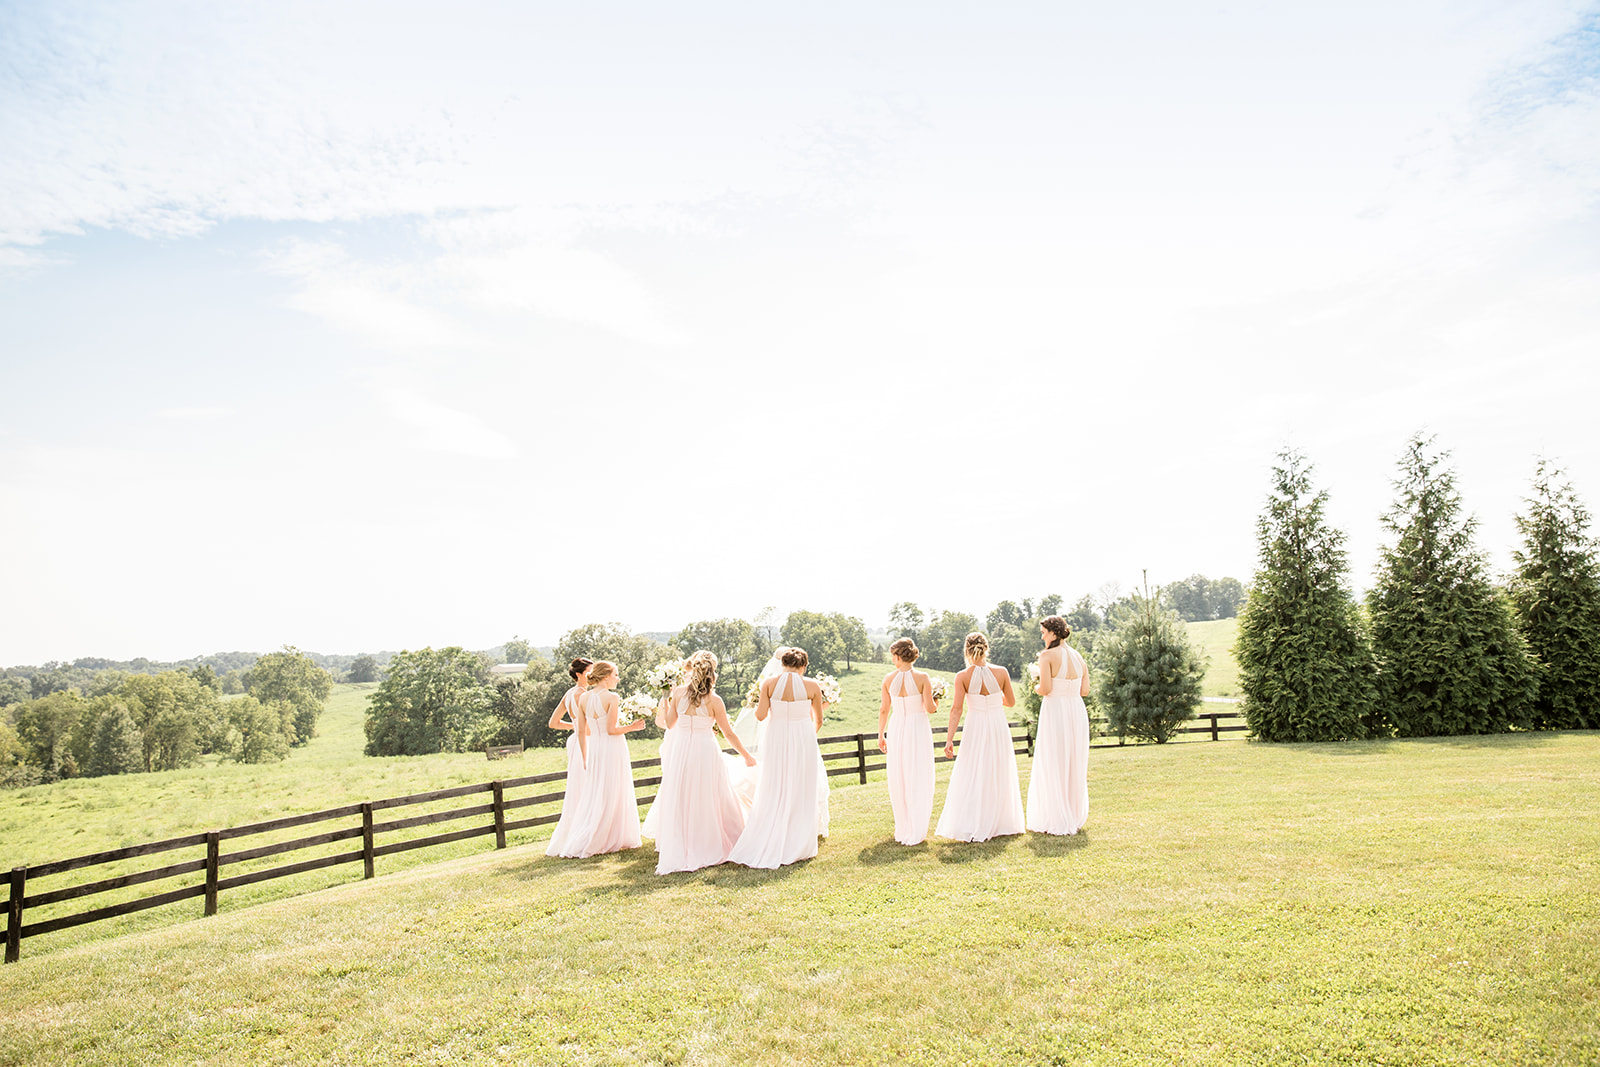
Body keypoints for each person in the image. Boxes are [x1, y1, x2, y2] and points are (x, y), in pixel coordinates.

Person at [651, 650, 758, 874]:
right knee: (709, 793)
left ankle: (684, 841)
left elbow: (669, 724)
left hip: (681, 750)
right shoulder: (714, 700)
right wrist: (746, 755)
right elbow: (728, 733)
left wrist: (665, 697)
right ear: (712, 675)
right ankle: (711, 840)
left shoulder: (679, 693)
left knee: (683, 793)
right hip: (705, 750)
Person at [726, 646, 828, 869]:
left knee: (775, 783)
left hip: (777, 738)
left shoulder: (769, 684)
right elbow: (818, 720)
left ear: (783, 664)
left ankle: (771, 828)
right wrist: (807, 736)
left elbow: (761, 716)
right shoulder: (812, 686)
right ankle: (799, 840)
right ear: (804, 666)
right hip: (803, 738)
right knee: (801, 785)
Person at [934, 632, 1025, 842]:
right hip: (997, 724)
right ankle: (1001, 821)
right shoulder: (1001, 672)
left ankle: (974, 819)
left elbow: (956, 709)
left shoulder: (962, 676)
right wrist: (992, 700)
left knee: (972, 769)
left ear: (966, 650)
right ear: (987, 648)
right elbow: (1010, 702)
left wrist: (949, 739)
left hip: (975, 726)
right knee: (998, 768)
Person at [549, 660, 646, 858]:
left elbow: (582, 732)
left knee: (597, 790)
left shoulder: (584, 698)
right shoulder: (612, 697)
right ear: (606, 677)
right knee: (616, 788)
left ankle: (598, 833)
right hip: (613, 747)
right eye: (616, 674)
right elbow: (612, 730)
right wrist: (633, 727)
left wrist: (585, 757)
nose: (618, 678)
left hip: (595, 749)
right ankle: (613, 835)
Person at [1026, 615, 1091, 835]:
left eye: (1043, 632)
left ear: (1053, 633)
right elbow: (1085, 691)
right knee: (1074, 760)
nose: (1042, 636)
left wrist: (1035, 685)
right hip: (1076, 710)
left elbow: (1045, 689)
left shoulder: (1047, 656)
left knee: (1053, 759)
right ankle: (1073, 814)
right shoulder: (1078, 656)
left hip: (1056, 711)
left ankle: (1056, 816)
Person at [878, 637, 936, 845]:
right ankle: (916, 826)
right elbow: (930, 708)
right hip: (917, 727)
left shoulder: (888, 679)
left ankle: (903, 827)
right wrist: (936, 700)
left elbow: (884, 709)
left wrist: (881, 734)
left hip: (896, 727)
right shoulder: (923, 678)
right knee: (918, 773)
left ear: (896, 657)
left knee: (899, 774)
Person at [544, 657, 593, 858]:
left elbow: (553, 722)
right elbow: (586, 727)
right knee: (586, 786)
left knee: (577, 788)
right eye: (590, 672)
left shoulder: (569, 694)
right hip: (586, 742)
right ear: (579, 674)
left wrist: (574, 726)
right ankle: (584, 833)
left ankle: (576, 832)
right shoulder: (583, 695)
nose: (593, 675)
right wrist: (580, 728)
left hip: (574, 741)